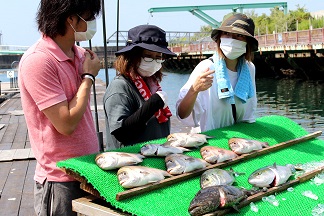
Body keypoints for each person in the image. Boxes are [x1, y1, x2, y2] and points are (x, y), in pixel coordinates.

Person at [18, 0, 102, 215]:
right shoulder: (38, 60)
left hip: (89, 170)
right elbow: (66, 123)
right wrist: (89, 77)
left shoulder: (81, 55)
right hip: (60, 180)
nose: (92, 23)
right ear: (71, 19)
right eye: (89, 17)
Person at [176, 13, 258, 133]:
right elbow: (182, 114)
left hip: (236, 138)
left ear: (247, 43)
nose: (232, 40)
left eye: (239, 36)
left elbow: (249, 111)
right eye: (227, 34)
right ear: (219, 38)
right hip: (209, 141)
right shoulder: (206, 67)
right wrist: (194, 90)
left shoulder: (249, 68)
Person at [103, 24, 176, 150]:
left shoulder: (152, 83)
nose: (154, 61)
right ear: (132, 56)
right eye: (148, 56)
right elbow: (122, 134)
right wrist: (153, 103)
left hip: (156, 157)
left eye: (158, 57)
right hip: (132, 163)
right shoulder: (120, 87)